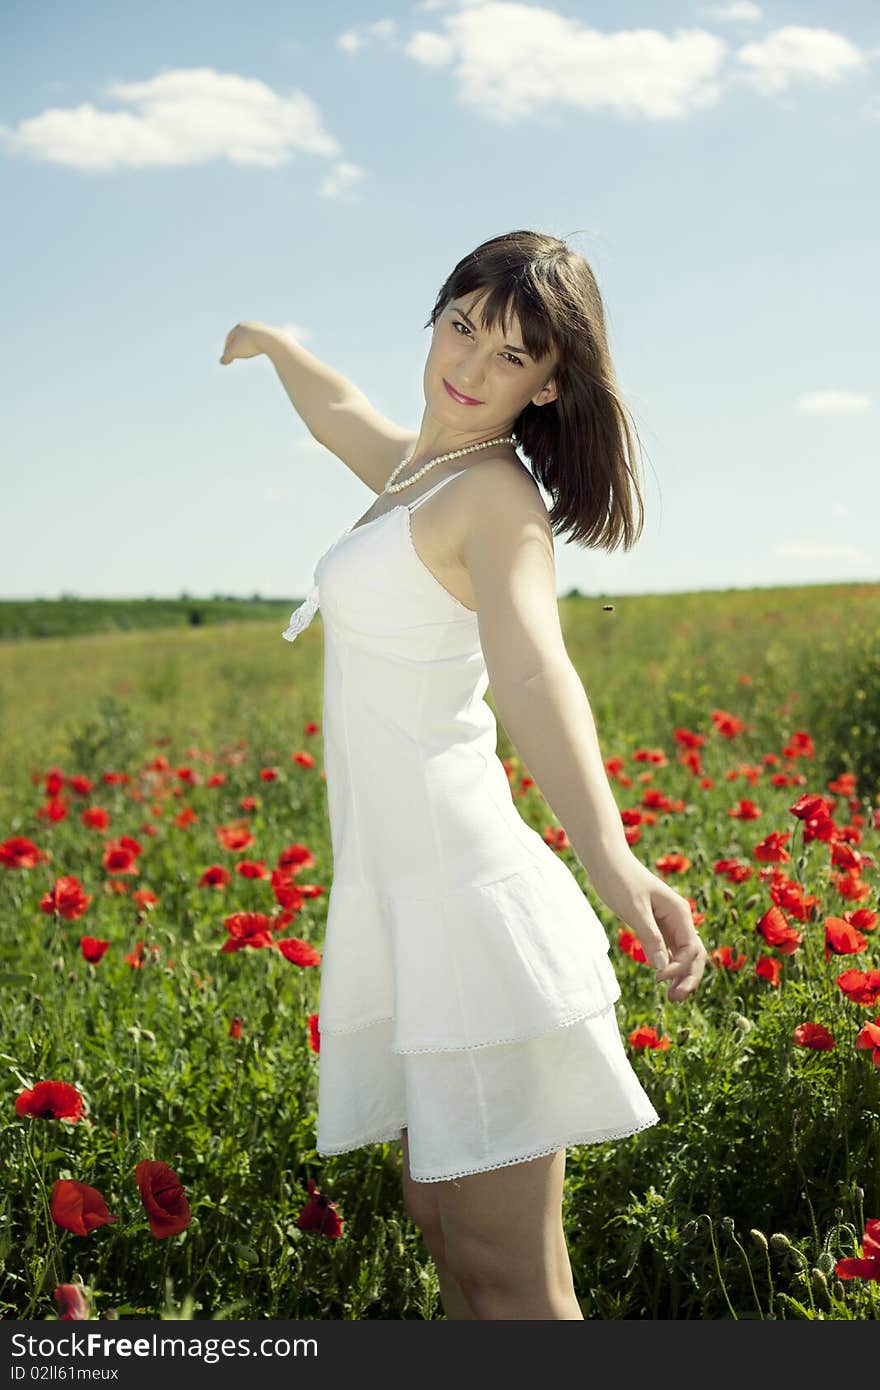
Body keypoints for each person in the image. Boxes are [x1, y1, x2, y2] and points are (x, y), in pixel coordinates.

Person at [220, 229, 708, 1321]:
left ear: (547, 385)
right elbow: (340, 410)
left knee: (511, 1287)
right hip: (407, 909)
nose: (469, 368)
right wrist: (273, 345)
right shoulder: (418, 470)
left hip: (468, 910)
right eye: (460, 328)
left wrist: (613, 855)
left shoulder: (494, 502)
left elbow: (534, 675)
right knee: (447, 1242)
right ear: (437, 316)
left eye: (509, 356)